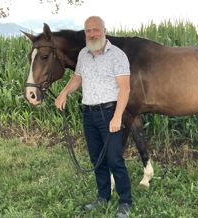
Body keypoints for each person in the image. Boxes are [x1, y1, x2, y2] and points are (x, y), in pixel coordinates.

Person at [55, 16, 132, 218]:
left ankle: (125, 201)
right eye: (88, 30)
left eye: (95, 30)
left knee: (115, 159)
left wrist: (117, 118)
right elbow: (77, 78)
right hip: (88, 113)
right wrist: (64, 92)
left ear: (104, 30)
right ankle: (103, 196)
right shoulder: (83, 54)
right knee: (96, 159)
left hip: (110, 112)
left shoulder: (117, 55)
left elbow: (125, 89)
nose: (92, 34)